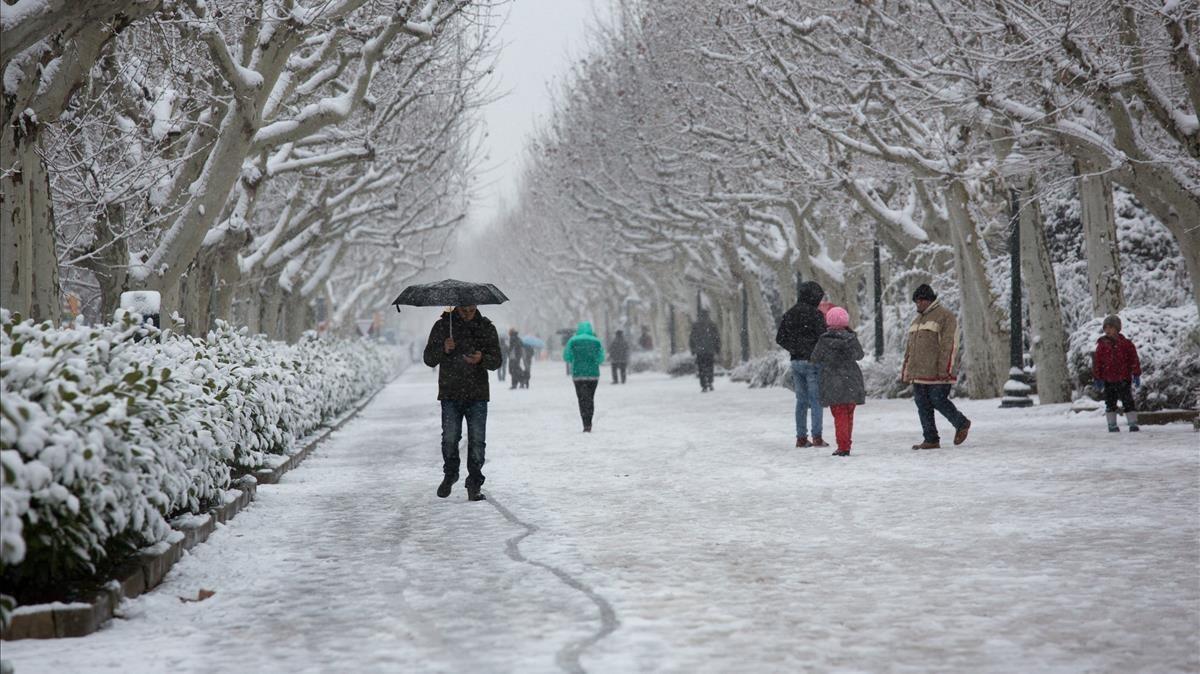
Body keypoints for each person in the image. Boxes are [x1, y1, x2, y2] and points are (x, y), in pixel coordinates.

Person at [422, 305, 502, 501]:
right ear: (456, 308)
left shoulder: (486, 327)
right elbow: (428, 359)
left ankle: (474, 483)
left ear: (476, 307)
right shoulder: (442, 326)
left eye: (471, 310)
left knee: (477, 441)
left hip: (477, 393)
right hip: (450, 392)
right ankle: (451, 473)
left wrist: (482, 358)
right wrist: (443, 348)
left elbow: (497, 360)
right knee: (449, 438)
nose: (467, 314)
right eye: (463, 310)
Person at [901, 284, 971, 449]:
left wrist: (945, 369)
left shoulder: (945, 316)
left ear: (928, 300)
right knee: (922, 405)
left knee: (938, 400)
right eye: (916, 302)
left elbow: (949, 345)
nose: (917, 305)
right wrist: (906, 370)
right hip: (919, 373)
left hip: (938, 372)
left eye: (920, 301)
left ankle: (961, 423)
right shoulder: (917, 320)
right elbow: (909, 348)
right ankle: (931, 439)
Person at [776, 281, 828, 447]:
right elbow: (823, 338)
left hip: (796, 361)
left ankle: (801, 437)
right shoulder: (816, 315)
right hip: (813, 361)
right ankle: (817, 437)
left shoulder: (789, 314)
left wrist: (795, 348)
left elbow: (780, 338)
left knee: (801, 401)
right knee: (816, 400)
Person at [810, 307, 865, 456]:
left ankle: (843, 446)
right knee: (849, 413)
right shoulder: (851, 338)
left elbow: (815, 358)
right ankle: (846, 443)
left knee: (839, 414)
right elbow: (859, 355)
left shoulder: (824, 340)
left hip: (832, 380)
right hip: (852, 379)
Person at [1092, 314, 1141, 432]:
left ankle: (1132, 422)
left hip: (1124, 378)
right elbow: (1097, 362)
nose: (1107, 330)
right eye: (1105, 328)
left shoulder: (1126, 344)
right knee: (1110, 402)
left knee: (1128, 400)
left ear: (1117, 329)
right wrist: (1097, 377)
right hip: (1109, 379)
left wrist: (1136, 373)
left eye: (1111, 327)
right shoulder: (1102, 345)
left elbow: (1133, 359)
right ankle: (1112, 424)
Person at [563, 321, 605, 432]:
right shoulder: (596, 341)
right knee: (590, 398)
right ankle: (589, 422)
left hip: (578, 374)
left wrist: (575, 360)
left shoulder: (573, 341)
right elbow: (601, 358)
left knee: (582, 399)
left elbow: (566, 357)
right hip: (593, 375)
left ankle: (585, 423)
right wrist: (592, 360)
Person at [689, 308, 721, 392]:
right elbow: (716, 338)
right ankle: (710, 382)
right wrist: (717, 349)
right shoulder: (712, 325)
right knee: (710, 367)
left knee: (701, 368)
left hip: (700, 351)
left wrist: (693, 349)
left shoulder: (695, 325)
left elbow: (692, 338)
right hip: (709, 351)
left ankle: (703, 385)